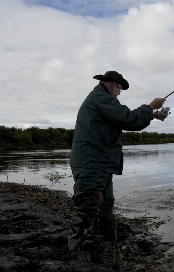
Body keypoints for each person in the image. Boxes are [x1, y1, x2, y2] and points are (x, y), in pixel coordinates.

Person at [68, 71, 167, 250]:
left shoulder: (102, 99)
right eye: (119, 89)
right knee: (88, 204)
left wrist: (152, 115)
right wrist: (151, 106)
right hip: (91, 162)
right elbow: (127, 119)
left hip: (101, 162)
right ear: (113, 85)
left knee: (106, 203)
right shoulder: (100, 98)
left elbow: (124, 121)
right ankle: (76, 249)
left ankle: (105, 243)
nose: (119, 93)